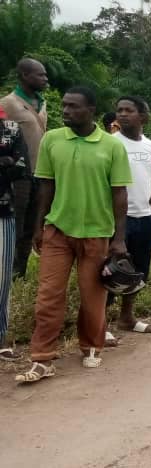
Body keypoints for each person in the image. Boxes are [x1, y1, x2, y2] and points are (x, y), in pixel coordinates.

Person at [16, 86, 133, 383]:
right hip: (58, 230)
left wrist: (119, 238)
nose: (65, 111)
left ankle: (91, 346)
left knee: (92, 295)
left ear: (90, 110)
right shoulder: (52, 140)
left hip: (96, 233)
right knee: (48, 296)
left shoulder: (111, 146)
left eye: (73, 107)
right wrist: (38, 227)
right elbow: (45, 186)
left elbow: (120, 194)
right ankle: (42, 358)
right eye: (64, 106)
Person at [108, 96, 151, 337]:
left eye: (129, 110)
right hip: (118, 219)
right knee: (109, 271)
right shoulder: (110, 144)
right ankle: (101, 325)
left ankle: (126, 318)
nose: (122, 114)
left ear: (143, 117)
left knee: (138, 272)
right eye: (119, 110)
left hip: (145, 218)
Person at [0, 58, 49, 278]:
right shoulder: (8, 103)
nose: (45, 78)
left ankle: (20, 270)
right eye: (40, 74)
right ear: (24, 76)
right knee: (15, 223)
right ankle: (7, 268)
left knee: (32, 223)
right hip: (18, 175)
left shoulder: (42, 103)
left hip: (40, 173)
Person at [0, 107, 28, 361]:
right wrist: (4, 160)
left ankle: (1, 340)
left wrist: (9, 162)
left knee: (2, 280)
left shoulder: (10, 129)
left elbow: (20, 168)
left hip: (3, 211)